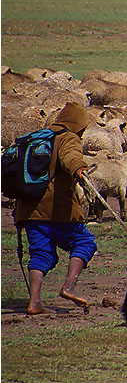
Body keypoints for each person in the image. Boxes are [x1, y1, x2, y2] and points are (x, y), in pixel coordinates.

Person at [14, 101, 98, 315]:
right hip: (56, 208)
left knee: (41, 252)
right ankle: (69, 287)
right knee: (84, 241)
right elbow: (71, 156)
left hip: (27, 208)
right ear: (78, 124)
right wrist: (79, 169)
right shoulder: (68, 137)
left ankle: (34, 302)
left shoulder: (38, 136)